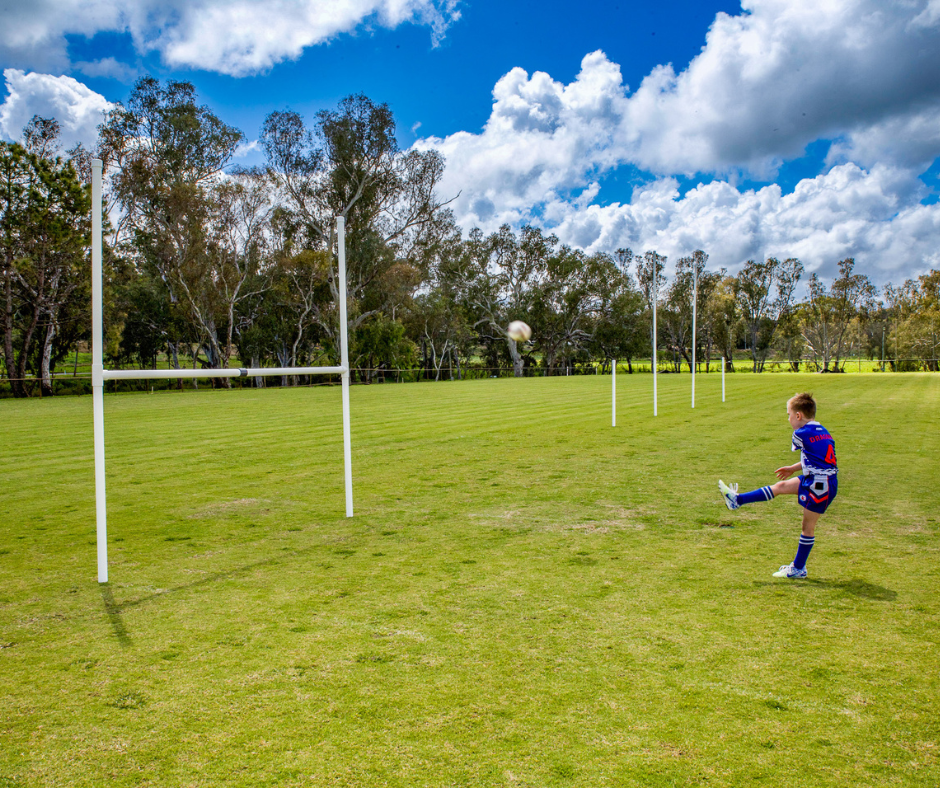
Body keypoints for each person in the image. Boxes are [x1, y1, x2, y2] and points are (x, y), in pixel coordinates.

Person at [718, 392, 838, 579]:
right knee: (780, 487)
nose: (788, 418)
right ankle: (737, 500)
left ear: (798, 416)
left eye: (789, 414)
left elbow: (814, 458)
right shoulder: (822, 430)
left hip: (819, 484)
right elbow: (819, 459)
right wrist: (793, 468)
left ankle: (798, 568)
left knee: (807, 527)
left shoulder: (799, 434)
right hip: (819, 478)